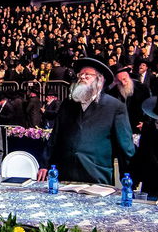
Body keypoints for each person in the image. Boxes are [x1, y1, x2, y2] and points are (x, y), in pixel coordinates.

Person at [39, 57, 133, 185]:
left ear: (100, 80)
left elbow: (125, 146)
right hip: (65, 175)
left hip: (97, 176)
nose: (82, 77)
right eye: (80, 75)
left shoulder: (115, 107)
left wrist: (129, 177)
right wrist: (45, 164)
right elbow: (55, 137)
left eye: (87, 75)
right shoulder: (68, 104)